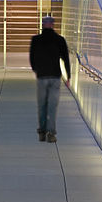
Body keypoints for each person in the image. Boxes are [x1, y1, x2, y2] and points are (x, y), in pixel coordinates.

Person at [29, 14, 71, 143]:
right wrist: (68, 76)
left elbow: (32, 58)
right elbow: (65, 58)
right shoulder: (60, 40)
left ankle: (42, 131)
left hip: (42, 77)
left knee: (42, 105)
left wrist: (37, 70)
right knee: (52, 107)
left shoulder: (36, 40)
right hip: (55, 77)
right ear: (53, 25)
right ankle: (51, 134)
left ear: (43, 25)